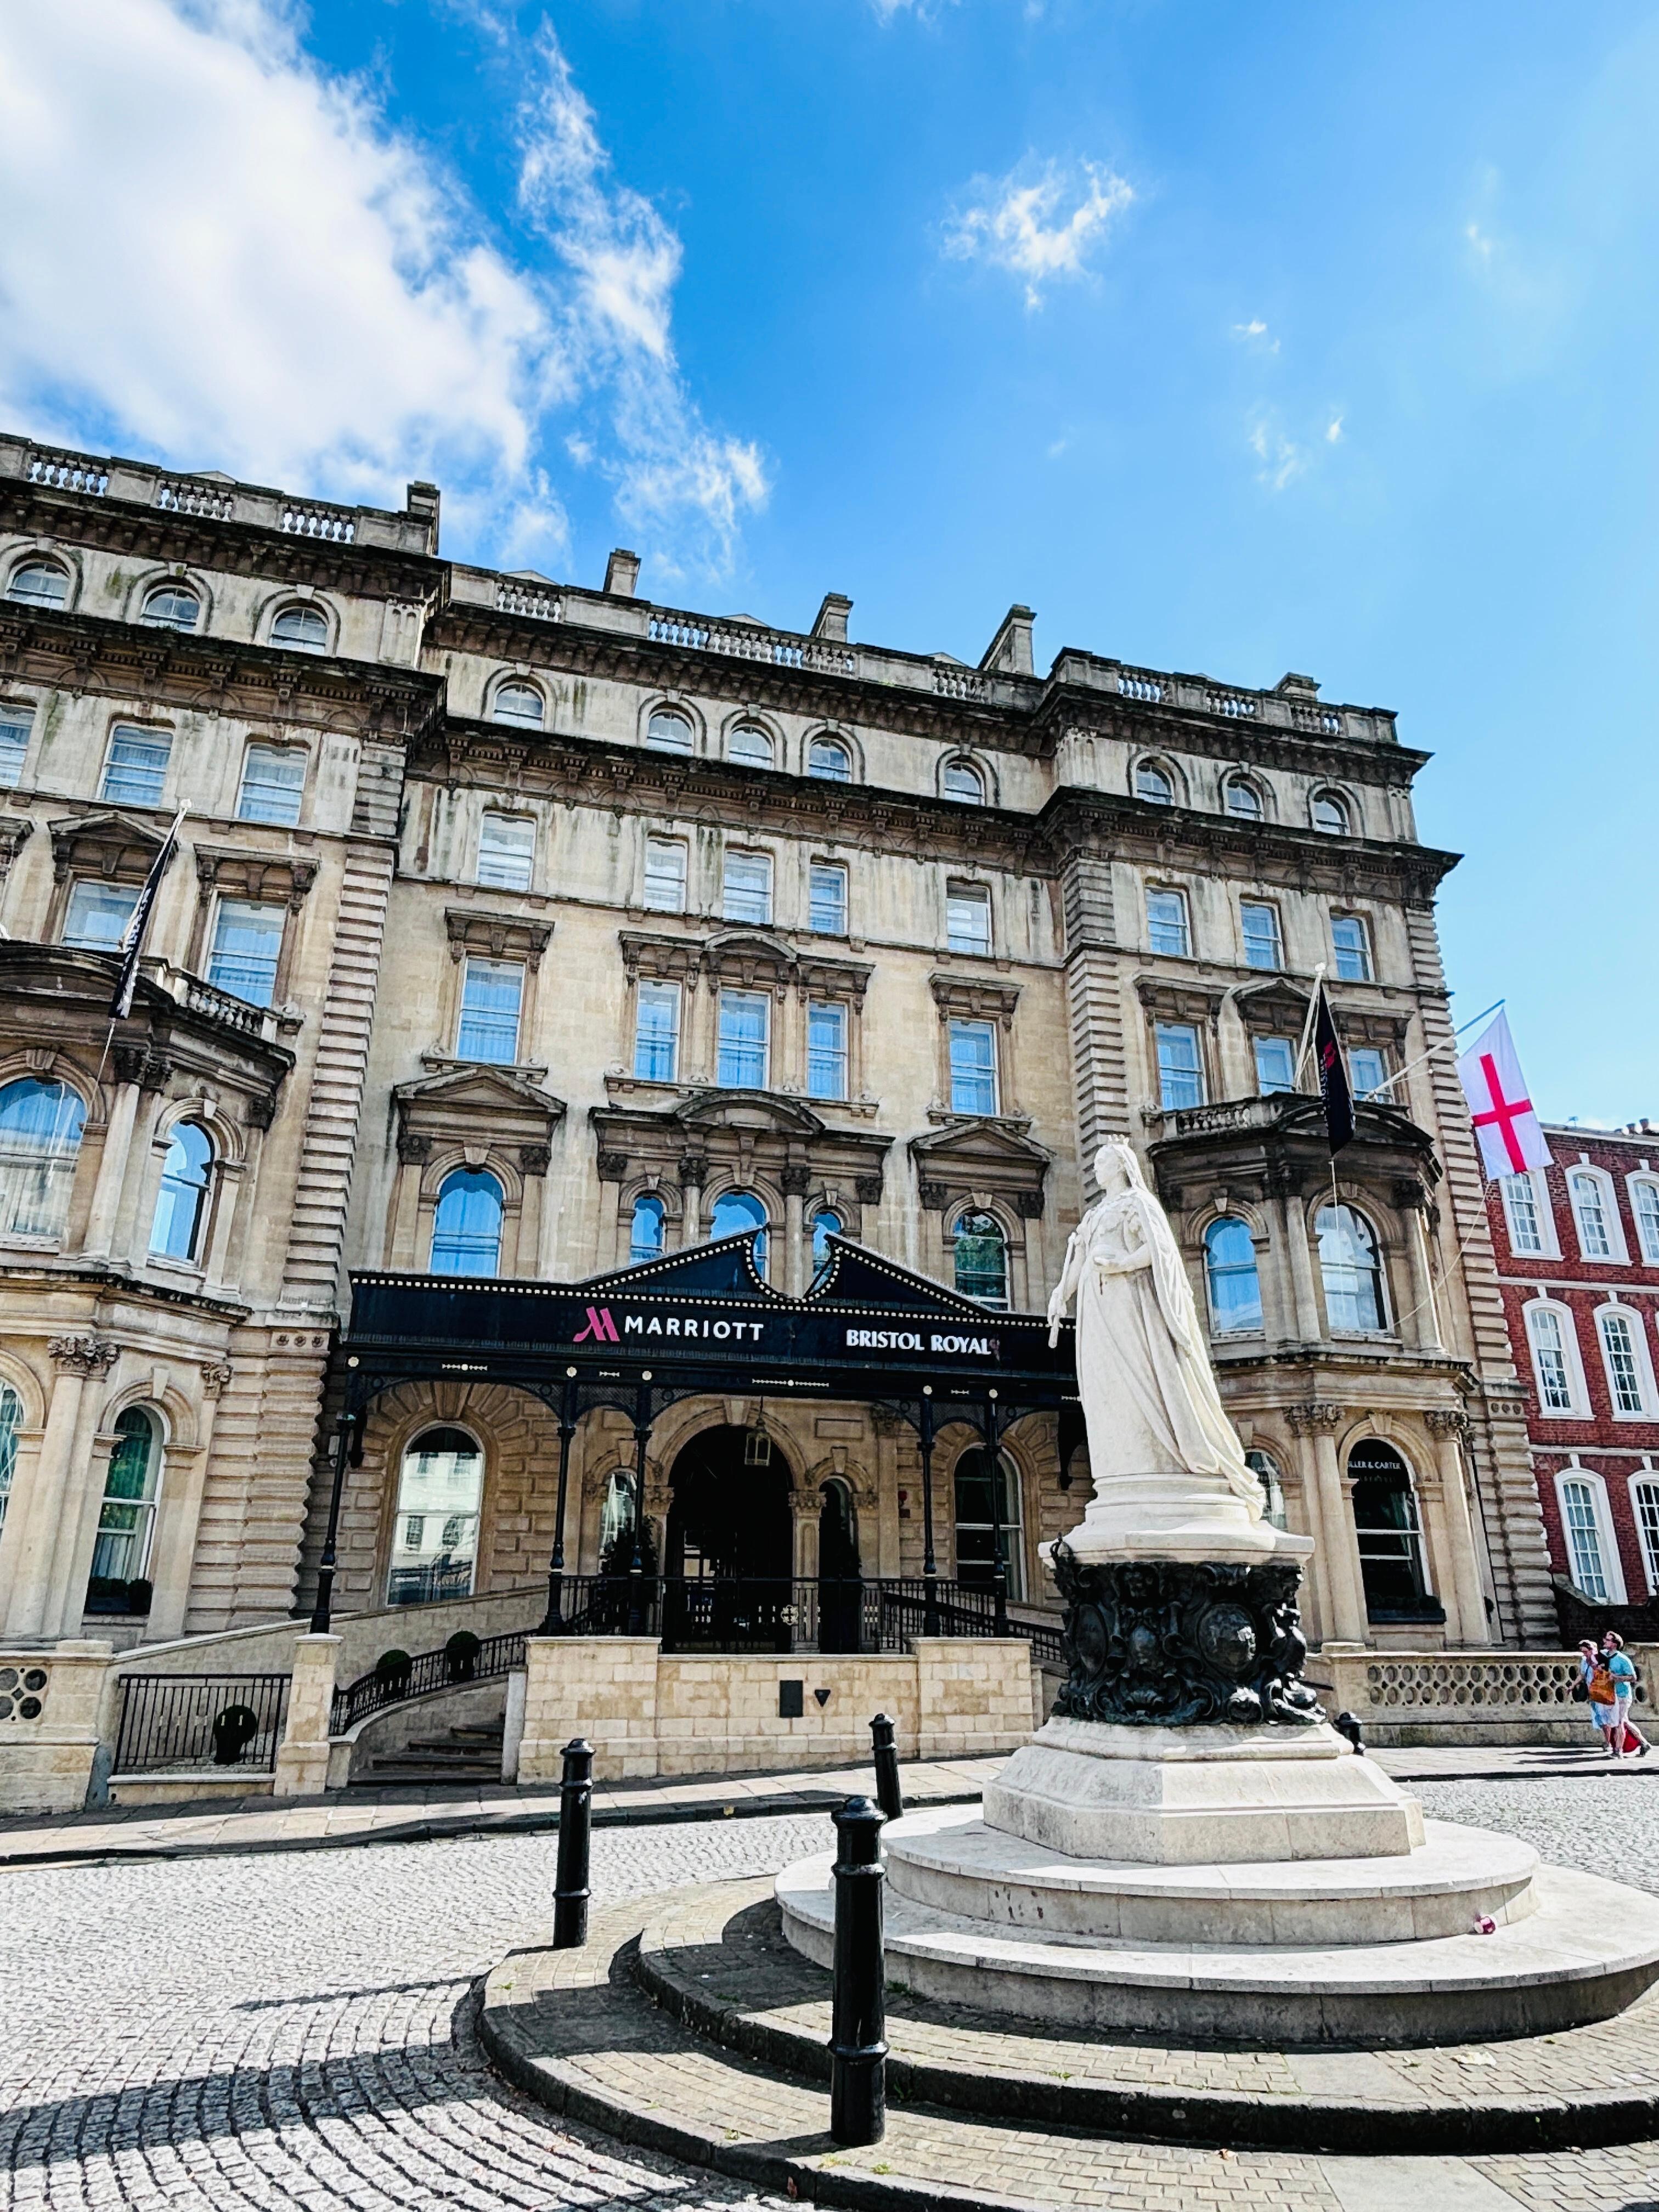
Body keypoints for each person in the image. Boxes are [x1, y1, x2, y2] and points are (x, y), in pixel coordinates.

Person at [1602, 1632, 1649, 1758]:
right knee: (1624, 1721)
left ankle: (1618, 1752)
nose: (1604, 1641)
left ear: (1615, 1644)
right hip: (1610, 1694)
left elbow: (1633, 1677)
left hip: (1622, 1694)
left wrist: (1616, 1677)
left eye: (1608, 1640)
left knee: (1619, 1722)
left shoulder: (1622, 1659)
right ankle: (1644, 1744)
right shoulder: (1605, 1656)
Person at [1581, 1639, 1622, 1756]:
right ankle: (1609, 1741)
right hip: (1594, 1691)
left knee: (1607, 1718)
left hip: (1604, 1691)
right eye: (1583, 1652)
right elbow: (1582, 1675)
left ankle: (1609, 1743)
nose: (1585, 1654)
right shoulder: (1584, 1660)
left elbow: (1606, 1672)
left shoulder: (1600, 1658)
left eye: (1586, 1651)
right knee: (1599, 1717)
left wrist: (1596, 1665)